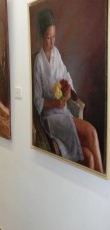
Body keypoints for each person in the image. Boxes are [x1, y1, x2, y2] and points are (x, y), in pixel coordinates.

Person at [33, 8, 103, 172]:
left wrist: (67, 91)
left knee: (88, 157)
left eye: (54, 37)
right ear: (41, 36)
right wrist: (53, 104)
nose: (51, 42)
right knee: (91, 133)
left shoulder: (56, 53)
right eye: (48, 38)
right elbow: (37, 100)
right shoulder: (38, 62)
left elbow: (66, 76)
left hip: (63, 111)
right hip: (50, 119)